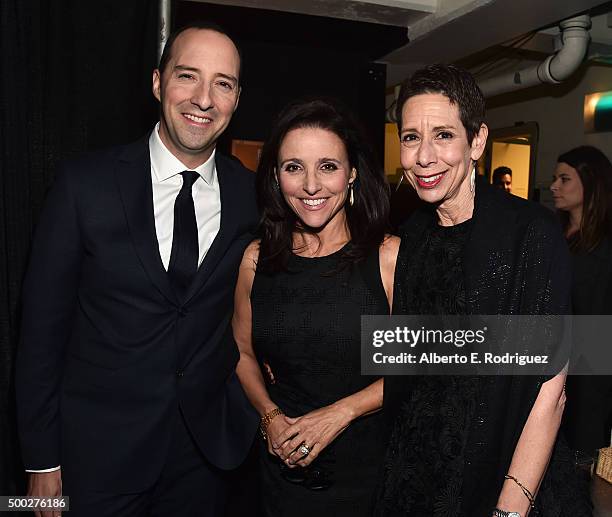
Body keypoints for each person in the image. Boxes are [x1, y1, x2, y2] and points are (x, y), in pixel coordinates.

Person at [16, 21, 258, 517]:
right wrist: (40, 463)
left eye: (223, 83)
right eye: (188, 75)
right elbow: (40, 334)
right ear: (157, 82)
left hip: (205, 463)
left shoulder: (252, 197)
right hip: (96, 460)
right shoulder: (84, 186)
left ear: (236, 99)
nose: (204, 99)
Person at [374, 64, 591, 516]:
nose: (425, 157)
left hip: (507, 476)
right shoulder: (412, 236)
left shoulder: (530, 233)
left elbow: (550, 391)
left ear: (477, 142)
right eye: (411, 137)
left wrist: (510, 508)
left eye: (444, 136)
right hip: (418, 478)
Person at [232, 98, 399, 516]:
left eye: (328, 166)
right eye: (293, 167)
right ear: (275, 176)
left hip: (366, 474)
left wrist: (341, 413)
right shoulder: (257, 259)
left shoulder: (388, 258)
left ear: (352, 173)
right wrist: (269, 417)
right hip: (279, 473)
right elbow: (241, 352)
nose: (311, 185)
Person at [551, 145, 612, 463]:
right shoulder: (553, 231)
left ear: (590, 183)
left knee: (577, 459)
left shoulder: (604, 243)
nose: (554, 187)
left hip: (590, 370)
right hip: (553, 356)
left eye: (564, 180)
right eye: (554, 179)